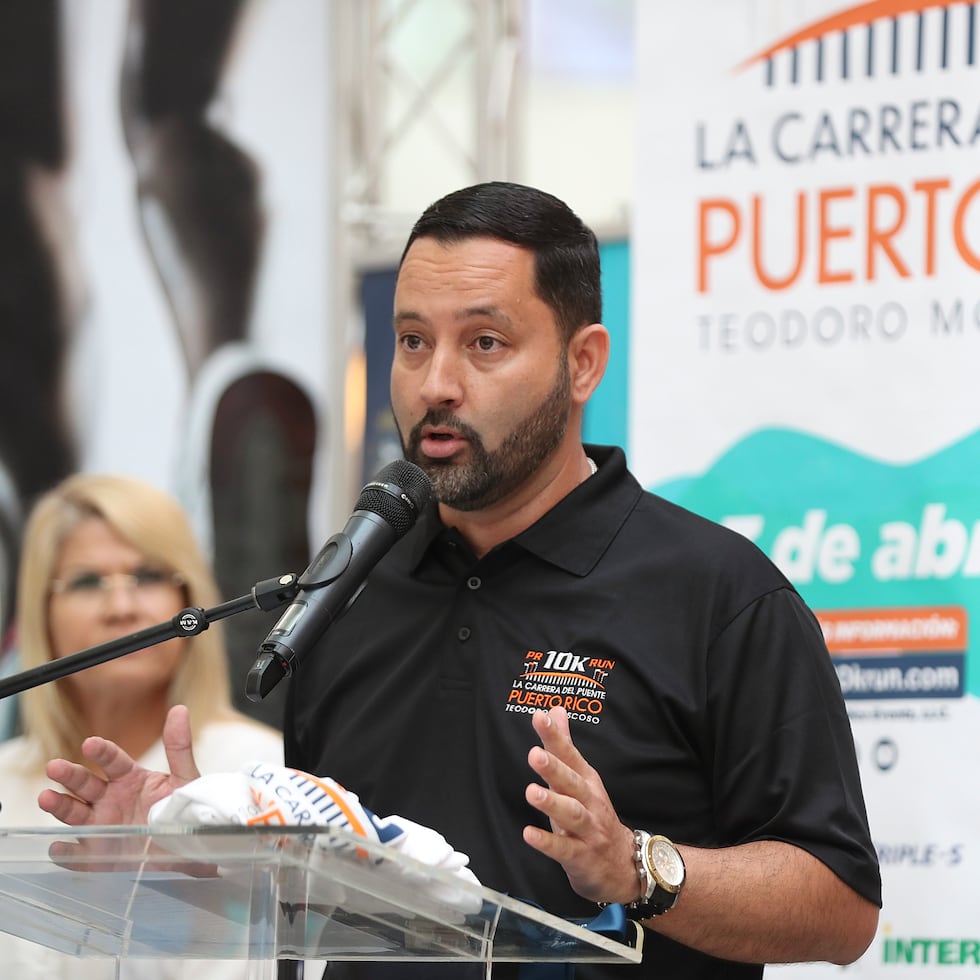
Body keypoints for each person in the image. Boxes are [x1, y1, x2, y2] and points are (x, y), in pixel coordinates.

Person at [38, 182, 882, 979]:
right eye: (412, 341)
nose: (436, 384)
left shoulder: (717, 593)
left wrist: (638, 868)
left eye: (485, 342)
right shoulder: (350, 592)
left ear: (583, 363)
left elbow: (840, 906)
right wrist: (212, 854)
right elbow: (333, 898)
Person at [0, 472, 283, 979]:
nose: (122, 607)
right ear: (41, 614)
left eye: (149, 576)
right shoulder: (4, 775)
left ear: (190, 601)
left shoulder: (266, 775)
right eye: (88, 581)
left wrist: (174, 899)